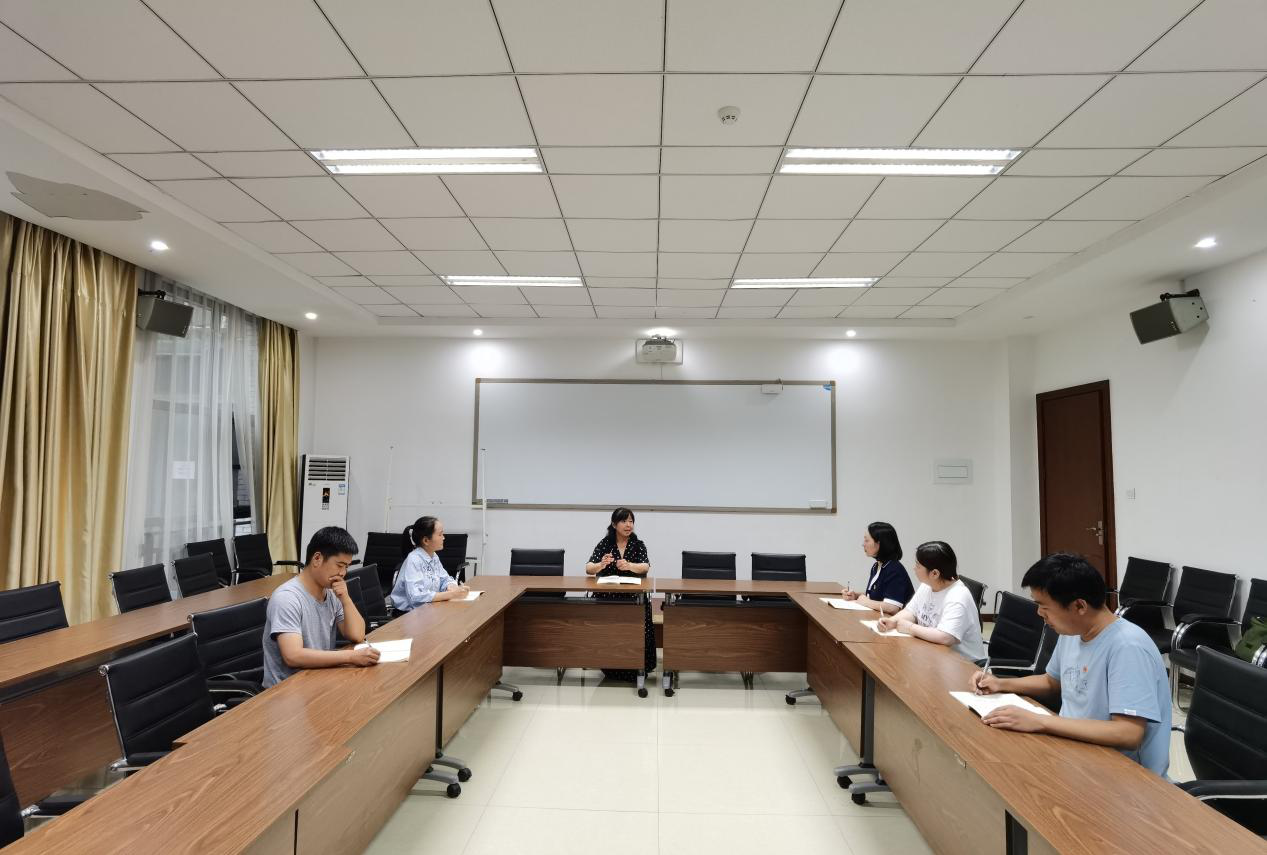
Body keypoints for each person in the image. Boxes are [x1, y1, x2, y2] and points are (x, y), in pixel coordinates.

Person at [970, 552, 1171, 777]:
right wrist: (1001, 684)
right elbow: (1052, 681)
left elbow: (1127, 733)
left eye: (1044, 606)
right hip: (1073, 753)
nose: (1039, 613)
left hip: (1124, 776)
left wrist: (1040, 721)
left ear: (1079, 606)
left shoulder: (1128, 647)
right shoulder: (1073, 631)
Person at [261, 526, 379, 688]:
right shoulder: (287, 598)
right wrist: (351, 657)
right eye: (340, 565)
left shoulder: (331, 593)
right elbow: (293, 656)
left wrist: (345, 598)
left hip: (318, 678)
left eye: (346, 567)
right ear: (317, 559)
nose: (343, 573)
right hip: (287, 689)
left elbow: (357, 635)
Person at [877, 540, 985, 662]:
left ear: (934, 573)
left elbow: (946, 637)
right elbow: (911, 611)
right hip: (934, 654)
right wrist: (893, 621)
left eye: (918, 566)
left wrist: (911, 628)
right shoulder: (927, 585)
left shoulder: (958, 597)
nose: (914, 568)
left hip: (963, 664)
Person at [584, 507, 654, 681]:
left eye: (631, 521)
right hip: (608, 597)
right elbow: (588, 568)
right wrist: (601, 565)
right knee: (610, 633)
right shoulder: (605, 543)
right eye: (624, 521)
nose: (629, 525)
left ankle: (637, 667)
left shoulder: (638, 544)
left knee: (635, 630)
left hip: (634, 598)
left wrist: (630, 565)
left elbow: (645, 566)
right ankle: (611, 665)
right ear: (614, 524)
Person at [390, 516, 470, 611]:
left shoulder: (433, 556)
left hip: (429, 608)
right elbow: (415, 597)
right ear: (426, 541)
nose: (444, 538)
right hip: (408, 613)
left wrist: (451, 587)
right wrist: (450, 594)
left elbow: (444, 578)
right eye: (440, 534)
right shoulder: (413, 560)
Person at [840, 521, 914, 615]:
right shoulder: (876, 566)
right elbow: (875, 597)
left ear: (879, 544)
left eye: (867, 540)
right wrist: (855, 596)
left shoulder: (894, 569)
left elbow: (892, 607)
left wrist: (866, 602)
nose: (863, 544)